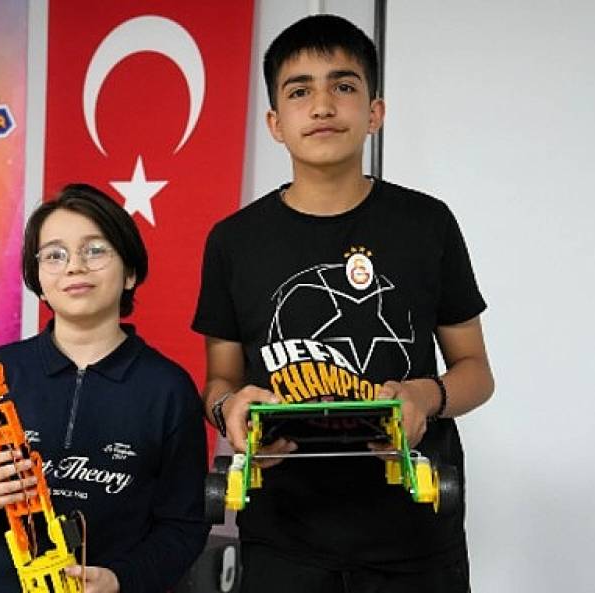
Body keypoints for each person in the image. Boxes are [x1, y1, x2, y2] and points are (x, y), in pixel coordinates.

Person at [192, 14, 495, 593]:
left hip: (414, 541)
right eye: (299, 91)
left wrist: (422, 396)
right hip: (283, 540)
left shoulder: (427, 224)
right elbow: (219, 382)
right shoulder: (233, 241)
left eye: (344, 85)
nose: (323, 105)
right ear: (275, 123)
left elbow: (476, 373)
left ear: (375, 113)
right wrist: (231, 409)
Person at [0, 183, 210, 593]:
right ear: (38, 278)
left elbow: (184, 528)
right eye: (54, 255)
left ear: (130, 272)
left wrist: (119, 580)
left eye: (95, 250)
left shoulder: (168, 389)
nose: (74, 266)